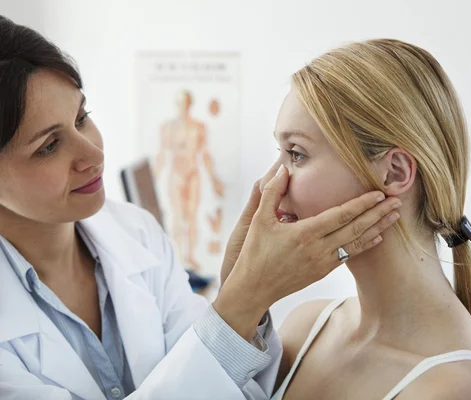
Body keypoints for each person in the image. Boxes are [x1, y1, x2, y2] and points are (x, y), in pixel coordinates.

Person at [0, 17, 402, 400]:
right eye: (49, 146)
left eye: (82, 117)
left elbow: (224, 380)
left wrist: (240, 292)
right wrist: (243, 299)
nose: (92, 154)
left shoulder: (137, 235)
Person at [268, 39, 471, 399]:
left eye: (297, 154)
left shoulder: (456, 390)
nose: (271, 183)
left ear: (394, 173)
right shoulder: (305, 329)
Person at [155, 90, 223, 271]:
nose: (182, 107)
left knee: (192, 216)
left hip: (193, 174)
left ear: (190, 105)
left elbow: (205, 154)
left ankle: (190, 256)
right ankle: (178, 256)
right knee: (177, 216)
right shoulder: (168, 127)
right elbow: (161, 154)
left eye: (185, 103)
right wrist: (153, 177)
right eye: (179, 103)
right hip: (176, 175)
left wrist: (215, 179)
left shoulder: (199, 127)